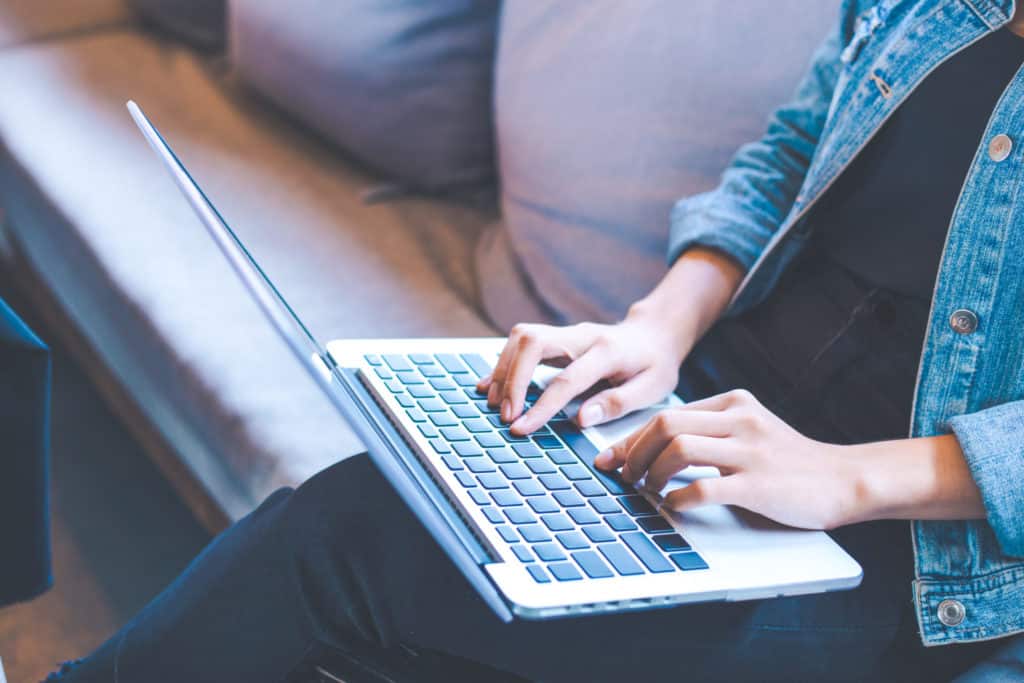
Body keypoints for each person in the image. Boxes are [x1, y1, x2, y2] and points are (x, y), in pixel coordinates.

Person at [46, 0, 1024, 680]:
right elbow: (785, 153)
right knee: (444, 487)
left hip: (915, 561)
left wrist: (841, 477)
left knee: (348, 531)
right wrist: (655, 329)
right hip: (707, 420)